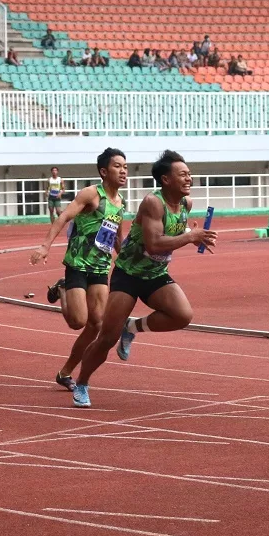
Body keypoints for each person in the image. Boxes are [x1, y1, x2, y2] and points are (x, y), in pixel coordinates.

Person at [70, 150, 218, 408]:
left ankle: (132, 328)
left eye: (190, 174)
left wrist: (190, 233)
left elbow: (170, 232)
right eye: (182, 174)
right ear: (166, 179)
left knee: (182, 315)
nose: (189, 179)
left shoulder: (186, 204)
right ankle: (82, 382)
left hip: (155, 274)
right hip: (128, 274)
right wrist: (190, 236)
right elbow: (154, 242)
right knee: (106, 338)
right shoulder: (153, 202)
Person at [30, 149, 127, 391]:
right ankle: (63, 287)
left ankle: (65, 373)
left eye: (125, 166)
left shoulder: (120, 202)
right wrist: (45, 246)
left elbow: (116, 236)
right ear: (104, 171)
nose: (123, 170)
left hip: (100, 267)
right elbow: (63, 217)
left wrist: (125, 258)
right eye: (117, 166)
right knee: (78, 321)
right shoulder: (91, 194)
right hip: (78, 264)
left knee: (96, 324)